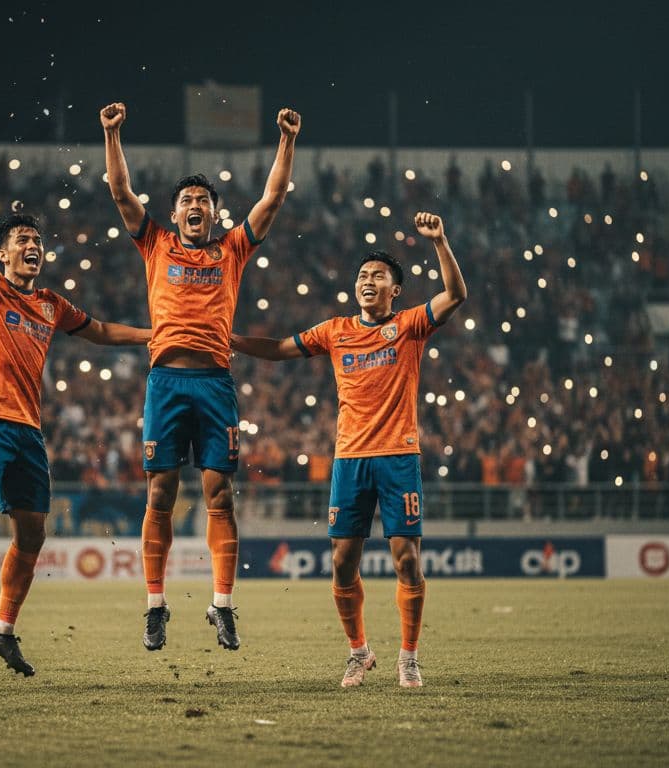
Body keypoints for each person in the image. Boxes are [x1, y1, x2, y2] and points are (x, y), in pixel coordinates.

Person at [0, 158, 151, 678]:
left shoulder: (51, 304)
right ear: (3, 253)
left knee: (32, 535)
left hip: (28, 430)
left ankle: (2, 630)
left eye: (37, 240)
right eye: (22, 239)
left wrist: (151, 335)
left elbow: (97, 331)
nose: (33, 246)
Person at [231, 212, 466, 688]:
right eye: (362, 275)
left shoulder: (408, 325)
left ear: (394, 290)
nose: (367, 281)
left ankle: (409, 657)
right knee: (341, 562)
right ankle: (359, 652)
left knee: (407, 559)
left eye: (378, 276)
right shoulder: (335, 330)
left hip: (399, 457)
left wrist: (440, 242)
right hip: (349, 459)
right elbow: (278, 348)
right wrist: (230, 339)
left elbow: (456, 295)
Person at [100, 101, 301, 651]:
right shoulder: (155, 243)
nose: (194, 205)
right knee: (160, 494)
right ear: (176, 212)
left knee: (220, 497)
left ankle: (222, 605)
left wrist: (285, 141)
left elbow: (274, 198)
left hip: (214, 384)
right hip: (165, 383)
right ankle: (155, 605)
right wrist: (112, 134)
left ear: (215, 213)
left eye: (203, 201)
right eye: (186, 200)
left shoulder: (232, 249)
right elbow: (121, 193)